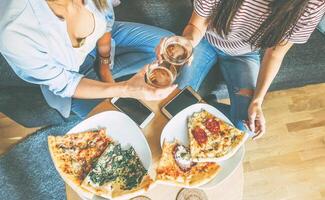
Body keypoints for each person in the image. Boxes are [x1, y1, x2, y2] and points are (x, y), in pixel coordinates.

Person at [157, 0, 325, 139]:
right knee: (172, 105)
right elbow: (197, 25)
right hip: (205, 40)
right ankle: (197, 103)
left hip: (244, 54)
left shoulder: (313, 4)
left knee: (246, 127)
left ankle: (203, 103)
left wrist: (257, 100)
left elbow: (275, 53)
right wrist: (187, 43)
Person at [0, 0, 176, 119]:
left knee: (167, 49)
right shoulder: (14, 32)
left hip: (102, 41)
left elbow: (107, 21)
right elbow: (66, 84)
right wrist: (124, 89)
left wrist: (104, 67)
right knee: (120, 126)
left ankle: (99, 75)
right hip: (71, 77)